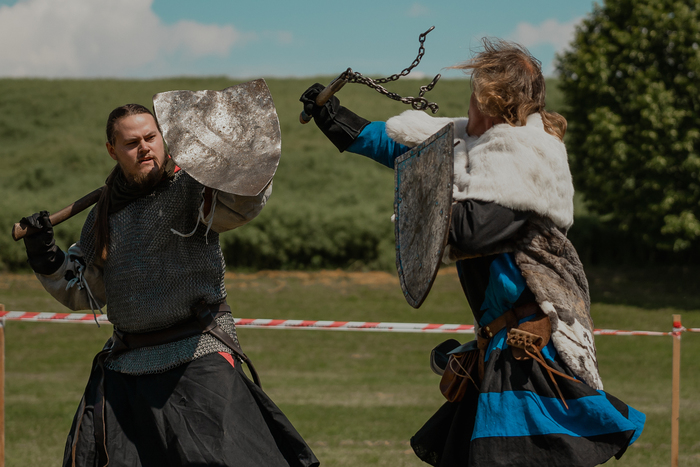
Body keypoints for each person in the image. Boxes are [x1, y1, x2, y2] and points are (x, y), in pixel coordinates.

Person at [300, 38, 645, 466]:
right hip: (498, 346)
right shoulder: (473, 143)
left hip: (531, 353)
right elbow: (400, 149)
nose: (470, 106)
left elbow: (471, 231)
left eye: (476, 97)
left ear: (493, 104)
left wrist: (430, 187)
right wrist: (333, 116)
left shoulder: (529, 160)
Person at [19, 103, 319, 467]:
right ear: (112, 150)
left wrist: (232, 158)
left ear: (163, 138)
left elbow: (242, 203)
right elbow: (86, 290)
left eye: (151, 137)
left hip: (198, 355)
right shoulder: (103, 214)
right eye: (132, 143)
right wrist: (45, 253)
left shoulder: (191, 188)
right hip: (127, 363)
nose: (144, 148)